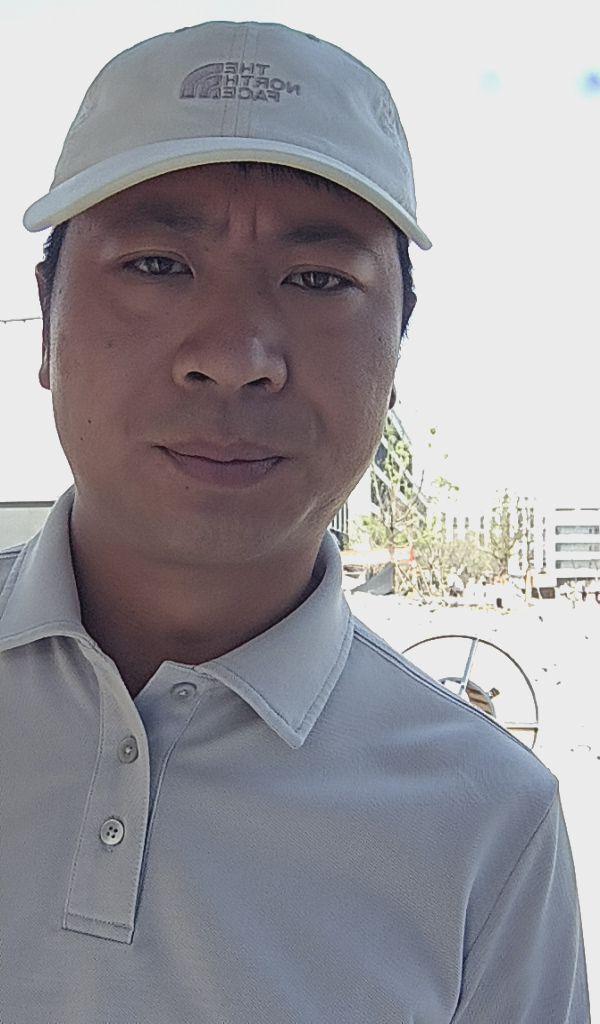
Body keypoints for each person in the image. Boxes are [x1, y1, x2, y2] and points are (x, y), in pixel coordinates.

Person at [2, 20, 589, 1024]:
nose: (235, 356)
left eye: (318, 280)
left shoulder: (490, 823)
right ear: (45, 320)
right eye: (156, 264)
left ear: (397, 354)